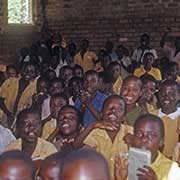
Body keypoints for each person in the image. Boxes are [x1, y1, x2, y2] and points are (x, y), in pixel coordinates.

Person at [75, 95, 133, 179]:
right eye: (109, 107)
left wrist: (133, 145)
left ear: (124, 116)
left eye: (119, 109)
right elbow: (75, 146)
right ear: (102, 113)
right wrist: (92, 125)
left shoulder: (130, 132)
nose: (113, 110)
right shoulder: (96, 131)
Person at [115, 114, 180, 180]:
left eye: (150, 135)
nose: (143, 139)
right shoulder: (125, 164)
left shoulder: (172, 170)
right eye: (139, 134)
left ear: (161, 141)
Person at [0, 62, 38, 127]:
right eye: (26, 70)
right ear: (21, 71)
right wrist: (8, 113)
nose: (28, 73)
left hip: (21, 118)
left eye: (31, 71)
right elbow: (1, 99)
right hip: (5, 113)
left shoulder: (34, 88)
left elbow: (32, 105)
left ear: (35, 74)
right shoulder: (10, 82)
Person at [151, 80, 180, 158]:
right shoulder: (152, 116)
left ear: (178, 96)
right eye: (163, 93)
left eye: (172, 93)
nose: (166, 97)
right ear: (158, 95)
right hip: (156, 161)